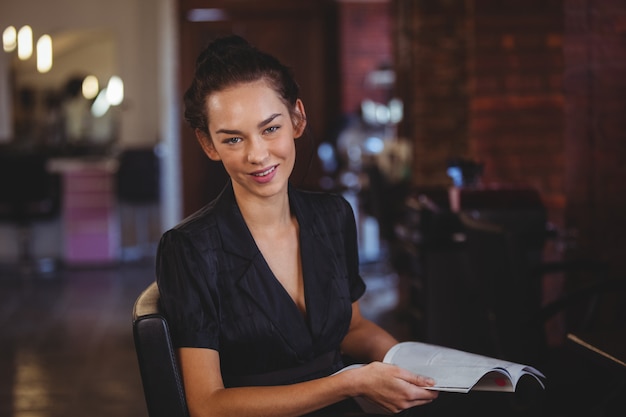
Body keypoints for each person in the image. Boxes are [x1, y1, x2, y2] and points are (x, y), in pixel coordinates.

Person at [156, 35, 438, 417]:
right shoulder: (189, 249)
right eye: (234, 139)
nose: (257, 155)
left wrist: (412, 368)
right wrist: (348, 382)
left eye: (270, 129)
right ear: (208, 145)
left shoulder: (334, 216)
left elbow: (352, 328)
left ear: (297, 119)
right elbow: (208, 405)